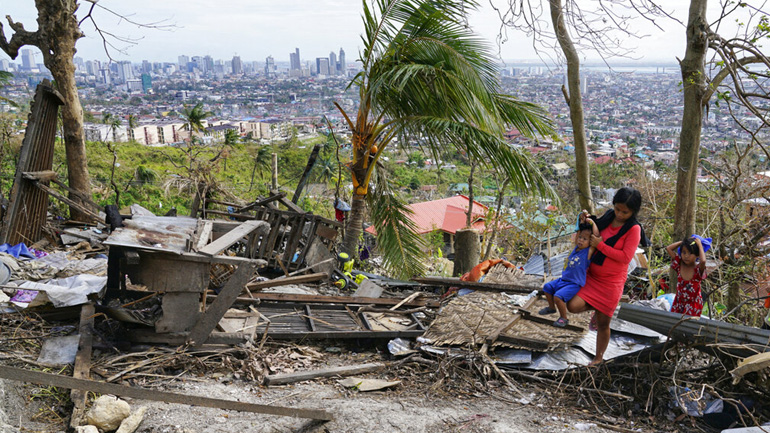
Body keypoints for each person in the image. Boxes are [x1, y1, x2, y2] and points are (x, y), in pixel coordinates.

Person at [567, 187, 647, 366]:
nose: (619, 214)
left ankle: (598, 358)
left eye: (624, 212)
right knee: (572, 305)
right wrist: (586, 221)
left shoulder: (634, 229)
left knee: (603, 324)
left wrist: (601, 246)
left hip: (611, 283)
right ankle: (596, 309)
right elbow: (593, 232)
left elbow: (625, 257)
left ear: (633, 212)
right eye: (617, 209)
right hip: (592, 276)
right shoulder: (609, 216)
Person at [538, 220, 600, 327]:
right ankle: (551, 308)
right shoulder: (576, 248)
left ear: (590, 241)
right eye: (580, 237)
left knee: (558, 297)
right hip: (563, 280)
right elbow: (578, 231)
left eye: (585, 239)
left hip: (574, 283)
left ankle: (564, 318)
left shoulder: (587, 252)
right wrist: (581, 219)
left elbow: (596, 235)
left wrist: (592, 223)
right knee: (547, 287)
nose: (581, 240)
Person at [665, 236, 707, 316]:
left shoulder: (698, 270)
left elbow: (703, 261)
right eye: (684, 252)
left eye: (690, 253)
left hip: (693, 305)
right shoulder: (679, 264)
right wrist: (683, 242)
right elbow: (668, 248)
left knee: (689, 325)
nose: (686, 256)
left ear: (697, 255)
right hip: (679, 303)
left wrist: (700, 245)